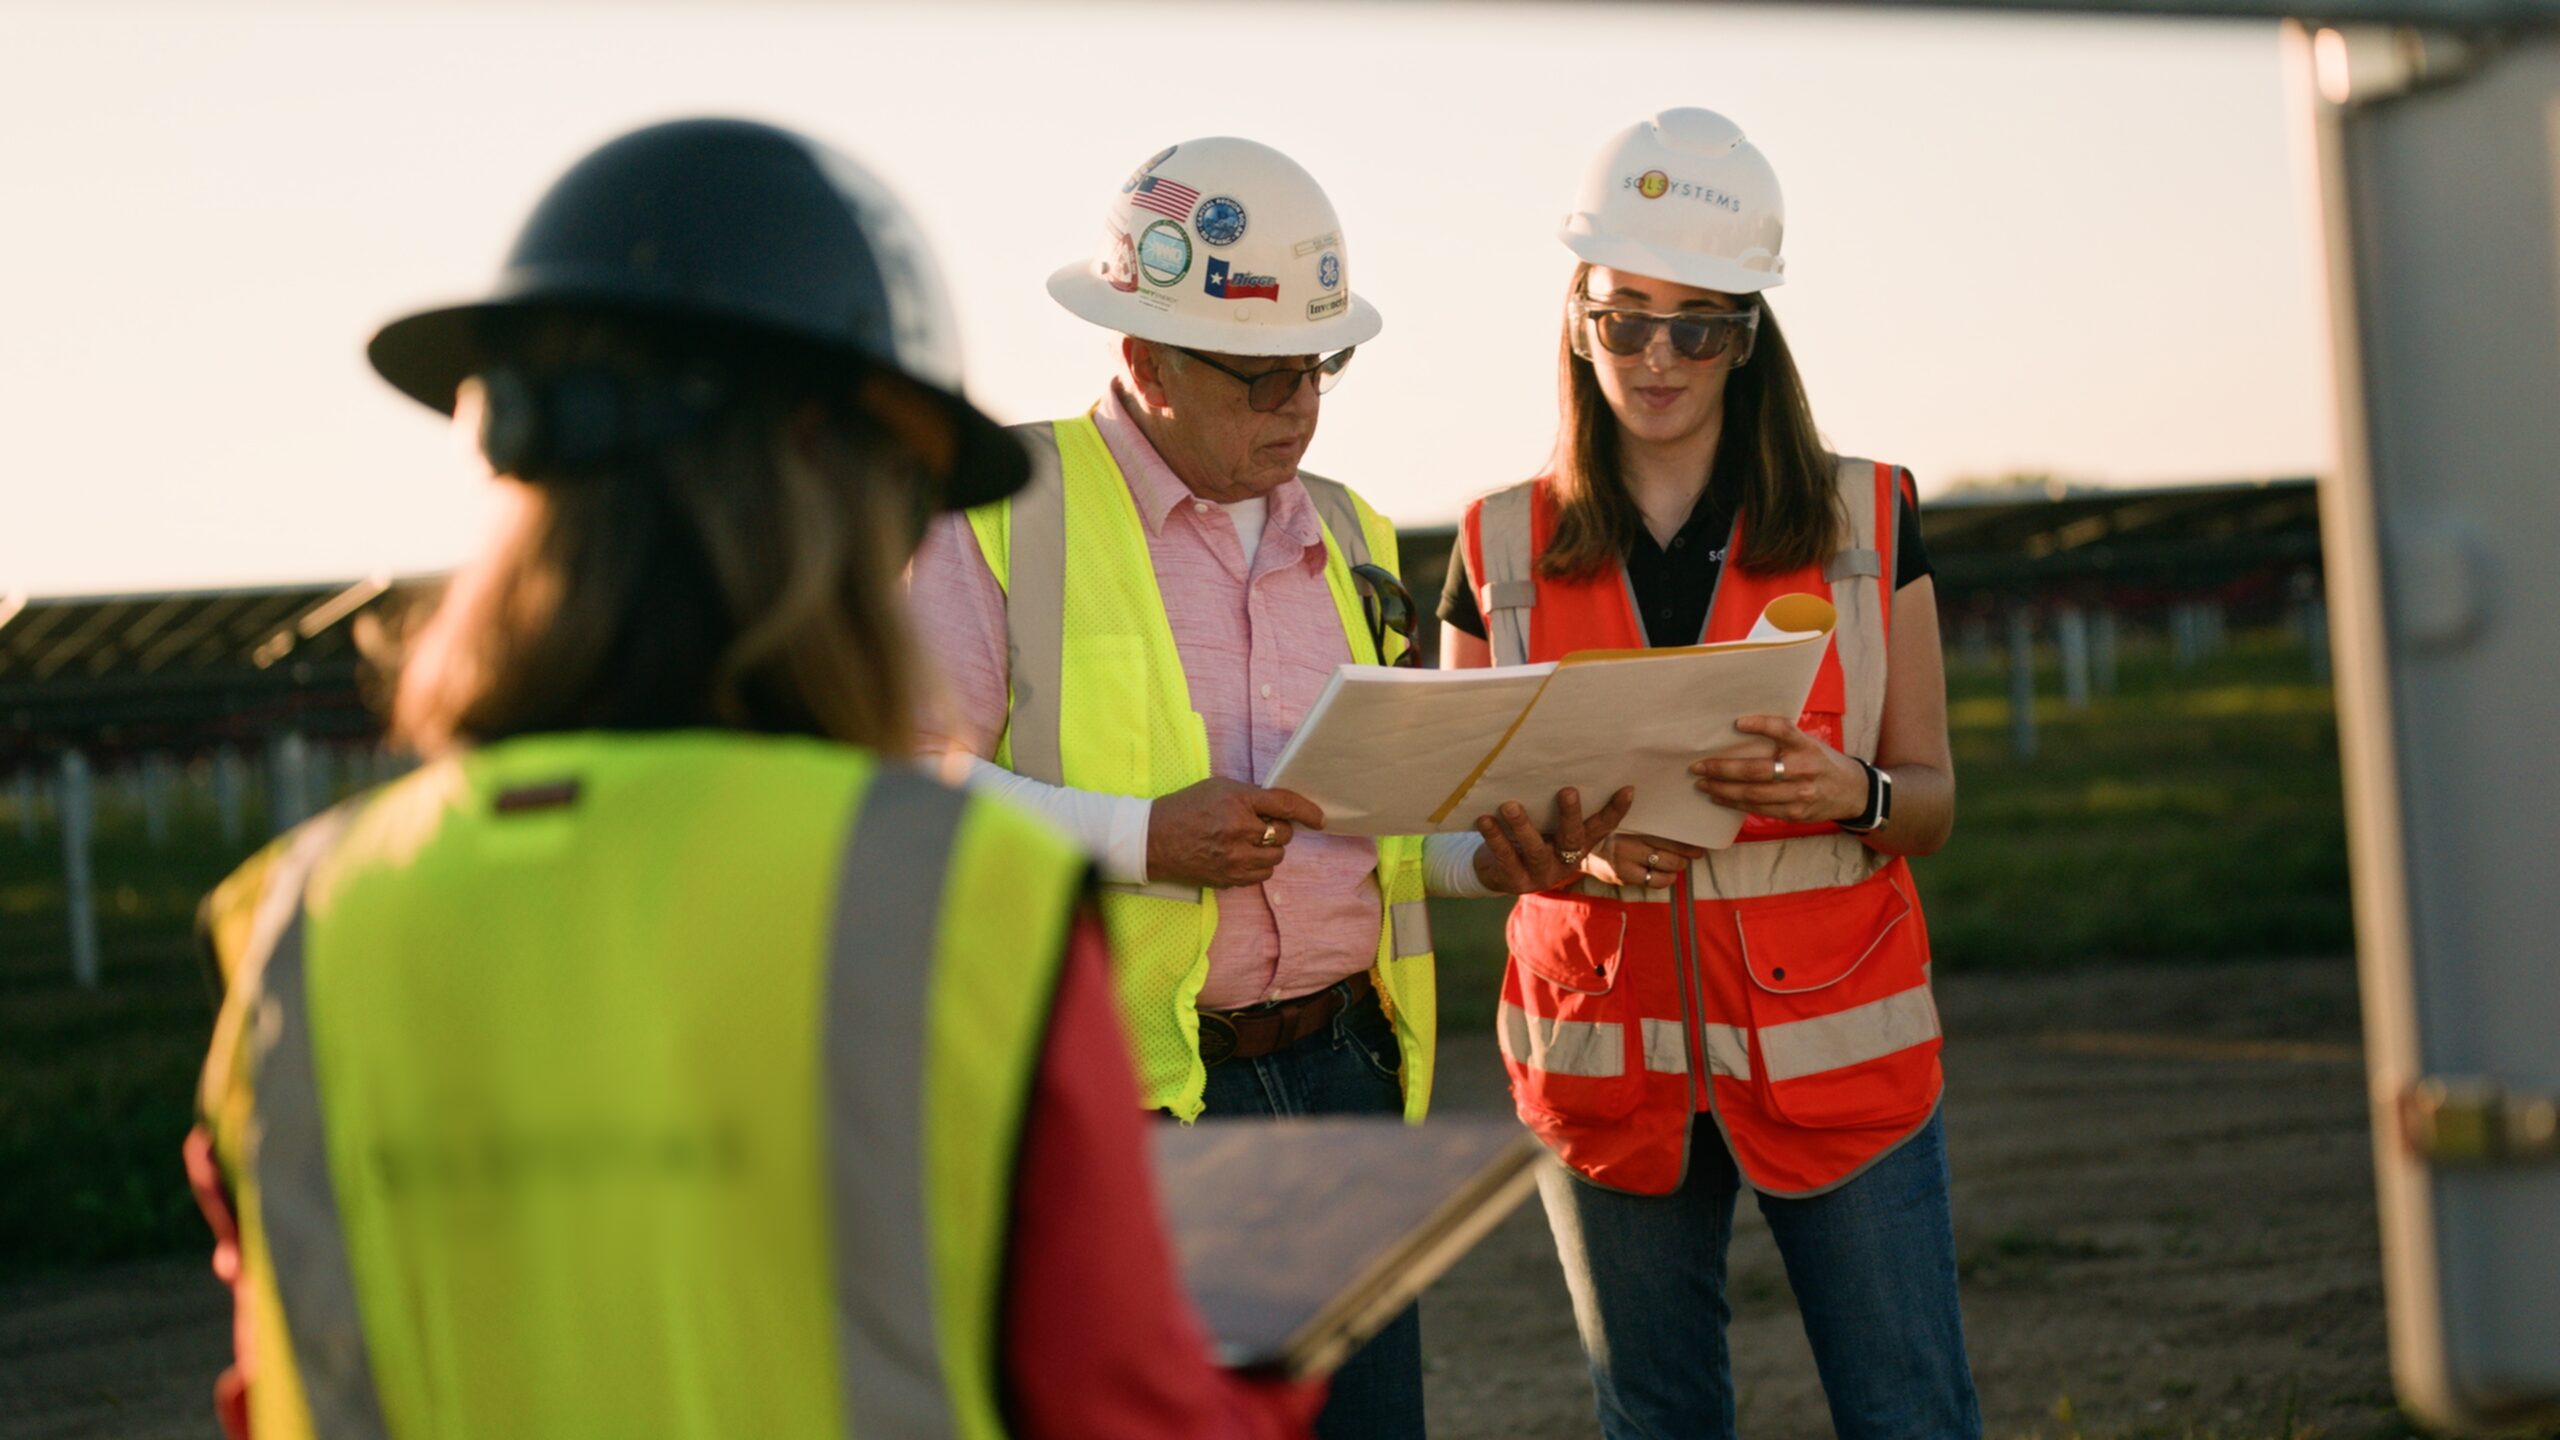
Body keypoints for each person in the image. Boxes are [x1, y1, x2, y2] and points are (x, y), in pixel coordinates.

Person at [184, 118, 1318, 1440]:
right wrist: (1276, 1363)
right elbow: (1126, 1415)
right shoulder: (952, 906)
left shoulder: (296, 925)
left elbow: (275, 1383)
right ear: (852, 503)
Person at [906, 135, 1620, 1440]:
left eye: (1321, 366)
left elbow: (1370, 832)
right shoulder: (998, 511)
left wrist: (1491, 861)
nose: (1299, 407)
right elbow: (901, 789)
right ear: (1145, 358)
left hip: (1349, 1071)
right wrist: (1137, 837)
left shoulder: (1347, 531)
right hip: (1126, 1104)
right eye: (1262, 376)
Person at [1438, 109, 1983, 1439]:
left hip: (1833, 1062)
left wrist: (1851, 794)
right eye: (1626, 319)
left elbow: (1929, 800)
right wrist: (1560, 855)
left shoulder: (1869, 518)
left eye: (1698, 326)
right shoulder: (1497, 544)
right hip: (1605, 1066)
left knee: (1908, 1414)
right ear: (1579, 318)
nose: (1659, 356)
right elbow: (1454, 835)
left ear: (1750, 335)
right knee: (1655, 1421)